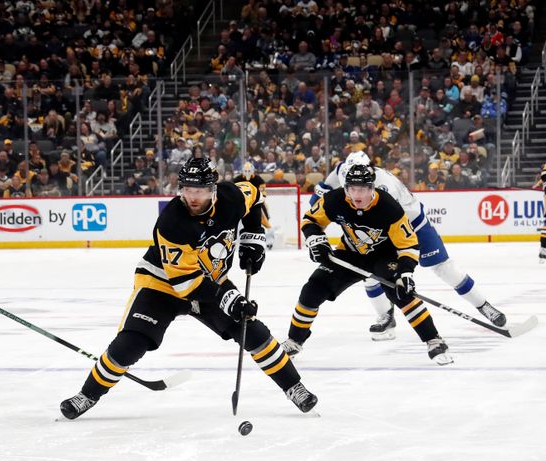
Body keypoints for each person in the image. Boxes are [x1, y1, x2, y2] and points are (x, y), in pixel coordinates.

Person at [59, 157, 317, 420]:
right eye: (188, 190)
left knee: (253, 332)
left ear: (213, 189)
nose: (193, 197)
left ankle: (294, 387)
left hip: (210, 280)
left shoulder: (232, 196)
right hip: (163, 283)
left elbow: (256, 199)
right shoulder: (172, 221)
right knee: (131, 344)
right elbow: (187, 283)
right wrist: (229, 298)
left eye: (201, 191)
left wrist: (253, 239)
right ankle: (87, 395)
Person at [311, 151, 507, 340]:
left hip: (412, 225)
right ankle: (386, 316)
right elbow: (322, 193)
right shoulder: (342, 170)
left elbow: (392, 224)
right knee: (368, 272)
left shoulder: (384, 186)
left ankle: (483, 305)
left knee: (444, 268)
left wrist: (404, 272)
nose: (353, 185)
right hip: (379, 230)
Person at [285, 164, 453, 365]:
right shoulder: (335, 199)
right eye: (352, 188)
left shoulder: (388, 207)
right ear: (346, 188)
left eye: (363, 189)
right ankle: (294, 341)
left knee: (400, 292)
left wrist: (405, 273)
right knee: (313, 289)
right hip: (349, 254)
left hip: (385, 255)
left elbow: (408, 244)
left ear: (372, 188)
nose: (357, 195)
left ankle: (433, 340)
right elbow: (311, 220)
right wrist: (316, 240)